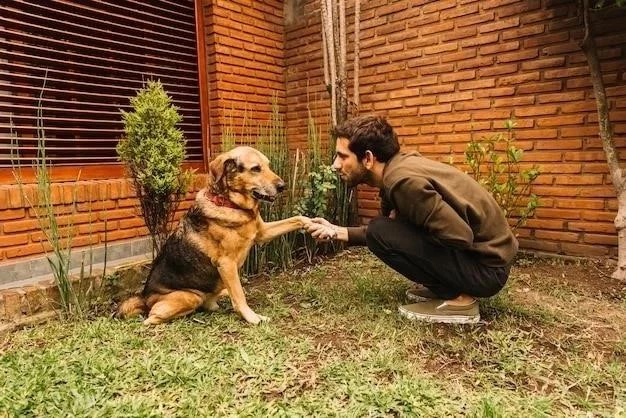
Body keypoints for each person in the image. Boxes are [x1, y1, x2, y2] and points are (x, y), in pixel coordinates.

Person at [306, 115, 518, 324]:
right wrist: (336, 230)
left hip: (487, 271)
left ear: (368, 159)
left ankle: (459, 300)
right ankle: (450, 289)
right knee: (382, 230)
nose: (335, 165)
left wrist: (411, 236)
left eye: (342, 156)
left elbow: (459, 236)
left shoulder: (403, 181)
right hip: (488, 263)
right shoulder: (399, 167)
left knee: (380, 231)